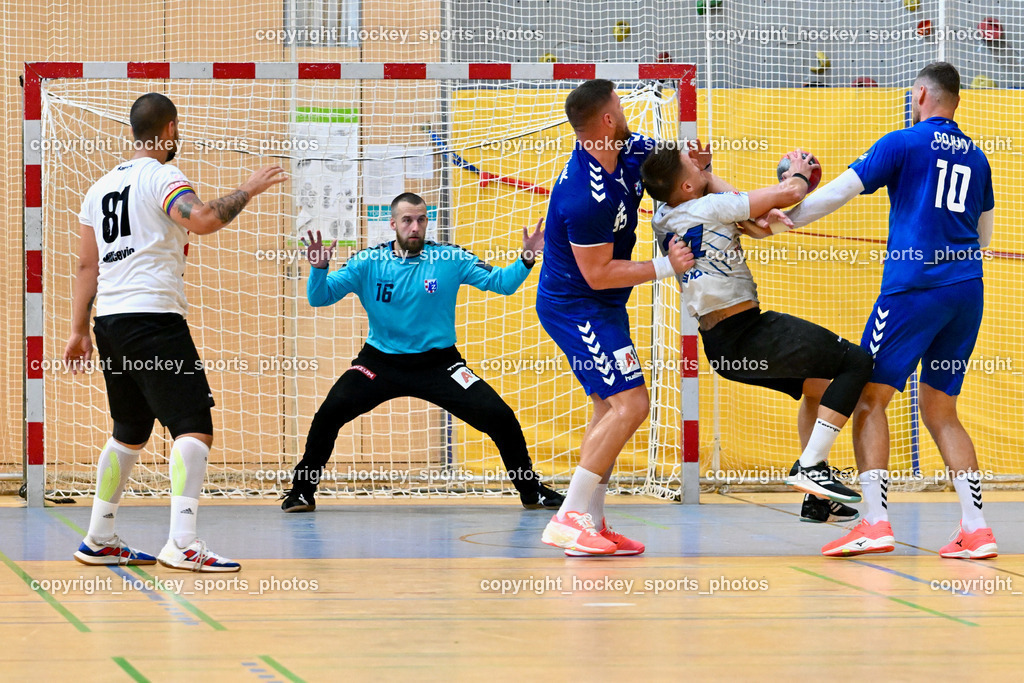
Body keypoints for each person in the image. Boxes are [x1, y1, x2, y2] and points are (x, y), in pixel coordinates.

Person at [775, 62, 997, 558]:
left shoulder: (903, 142)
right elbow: (983, 237)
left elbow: (837, 192)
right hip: (966, 292)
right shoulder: (978, 157)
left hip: (911, 288)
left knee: (868, 398)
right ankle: (976, 528)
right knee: (941, 409)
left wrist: (780, 219)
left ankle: (874, 522)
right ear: (954, 100)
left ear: (920, 95)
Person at [65, 92, 286, 571]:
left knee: (130, 430)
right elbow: (202, 219)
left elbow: (87, 264)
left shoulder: (98, 187)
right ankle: (182, 543)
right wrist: (249, 188)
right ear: (168, 130)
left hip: (110, 323)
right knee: (193, 427)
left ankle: (99, 537)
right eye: (177, 129)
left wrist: (79, 329)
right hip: (153, 319)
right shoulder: (162, 175)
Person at [280, 192, 563, 511]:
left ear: (427, 222)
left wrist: (525, 259)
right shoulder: (367, 263)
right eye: (406, 220)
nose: (414, 226)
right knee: (329, 414)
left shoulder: (450, 259)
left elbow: (502, 283)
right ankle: (301, 492)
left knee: (500, 417)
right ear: (392, 224)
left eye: (421, 219)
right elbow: (320, 298)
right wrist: (318, 269)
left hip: (441, 365)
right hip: (379, 363)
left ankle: (531, 491)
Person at [641, 144, 875, 525]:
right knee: (858, 362)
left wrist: (704, 172)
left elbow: (755, 225)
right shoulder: (713, 207)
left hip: (722, 349)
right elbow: (790, 195)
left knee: (818, 386)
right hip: (749, 333)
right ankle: (810, 466)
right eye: (692, 166)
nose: (701, 166)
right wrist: (797, 172)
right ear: (686, 186)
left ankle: (816, 500)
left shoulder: (664, 216)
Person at [535, 79, 693, 557]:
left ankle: (592, 523)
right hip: (576, 307)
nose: (625, 113)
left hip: (603, 307)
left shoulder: (629, 150)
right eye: (619, 107)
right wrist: (668, 265)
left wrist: (731, 194)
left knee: (609, 408)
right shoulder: (584, 194)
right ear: (606, 119)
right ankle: (569, 516)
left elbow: (685, 171)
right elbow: (598, 273)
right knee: (632, 405)